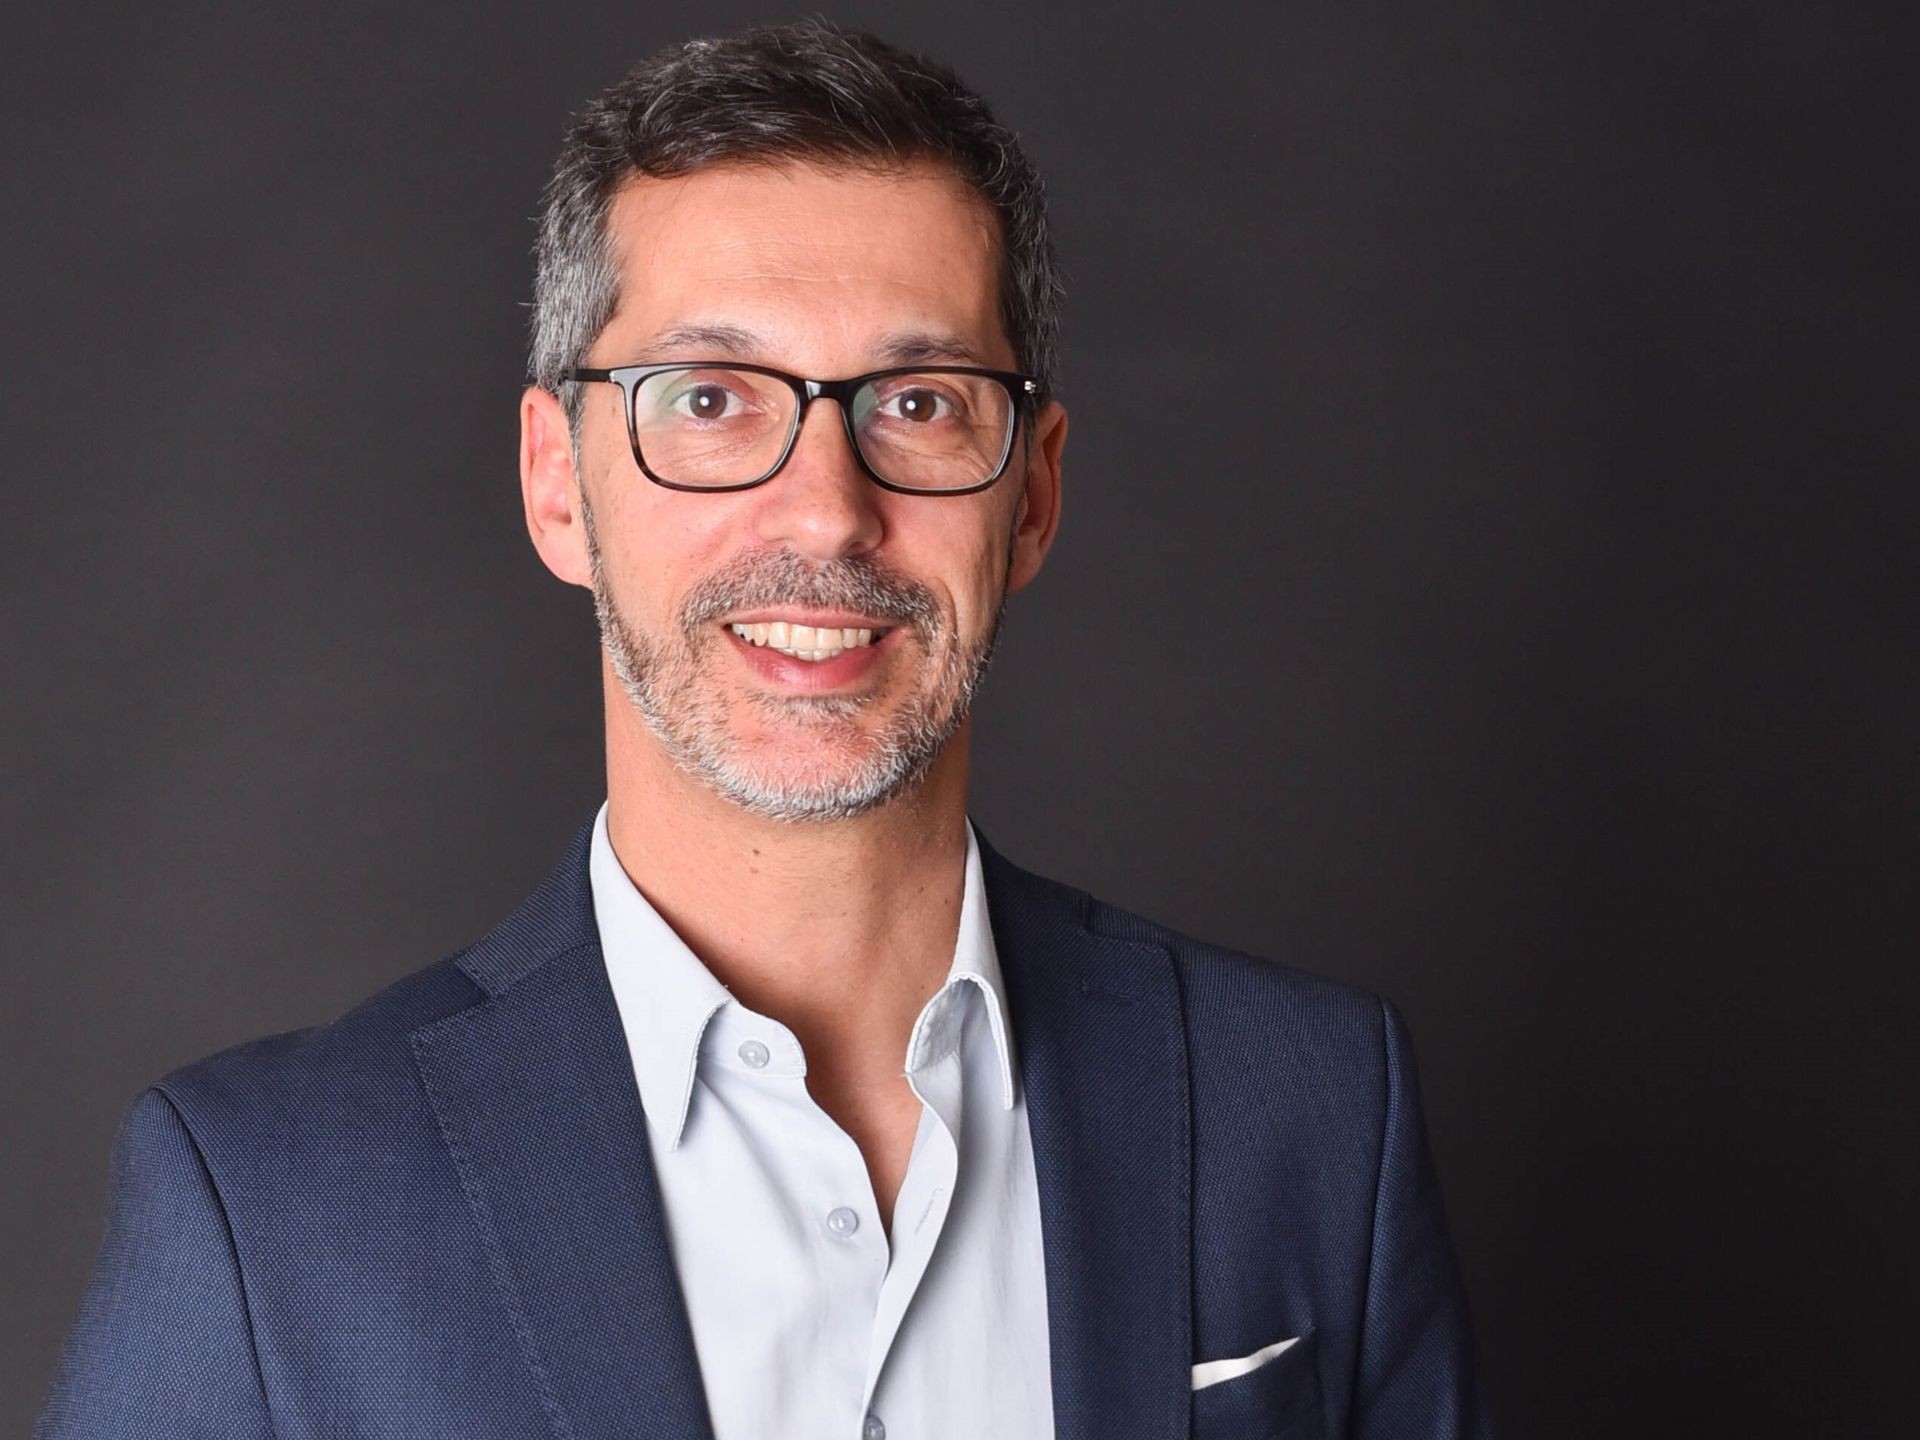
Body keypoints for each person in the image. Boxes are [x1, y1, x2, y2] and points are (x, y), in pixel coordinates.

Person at [38, 20, 1493, 1440]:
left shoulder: (1306, 1111)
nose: (823, 510)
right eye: (713, 399)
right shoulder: (269, 1202)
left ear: (1034, 493)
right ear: (560, 484)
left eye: (919, 401)